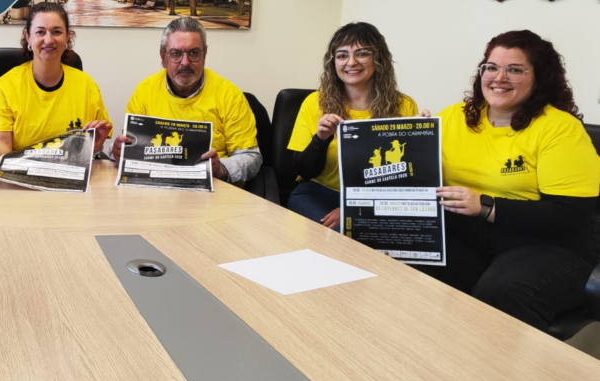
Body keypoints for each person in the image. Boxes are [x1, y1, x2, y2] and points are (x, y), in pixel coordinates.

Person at [419, 30, 599, 333]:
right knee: (405, 259)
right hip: (471, 236)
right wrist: (416, 140)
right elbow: (422, 178)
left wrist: (486, 206)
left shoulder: (560, 129)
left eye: (514, 69)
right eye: (491, 67)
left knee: (500, 292)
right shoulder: (453, 117)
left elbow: (570, 216)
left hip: (546, 244)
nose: (499, 77)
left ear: (539, 77)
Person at [287, 22, 418, 229]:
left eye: (362, 53)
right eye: (342, 55)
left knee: (374, 232)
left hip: (378, 198)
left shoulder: (404, 105)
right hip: (318, 192)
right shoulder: (314, 103)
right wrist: (321, 139)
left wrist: (424, 135)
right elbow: (304, 170)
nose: (351, 62)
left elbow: (405, 174)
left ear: (379, 58)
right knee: (341, 233)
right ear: (333, 62)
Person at [109, 17, 262, 185]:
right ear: (163, 57)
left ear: (205, 54)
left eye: (194, 53)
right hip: (156, 190)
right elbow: (130, 148)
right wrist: (117, 151)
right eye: (176, 53)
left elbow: (251, 157)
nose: (185, 62)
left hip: (215, 189)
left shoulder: (229, 95)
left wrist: (221, 168)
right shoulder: (144, 91)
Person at [0, 2, 112, 175]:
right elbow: (1, 142)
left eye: (57, 32)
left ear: (68, 37)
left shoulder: (87, 85)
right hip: (20, 176)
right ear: (28, 37)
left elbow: (93, 146)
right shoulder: (6, 86)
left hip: (70, 176)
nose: (49, 40)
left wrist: (96, 147)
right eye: (40, 32)